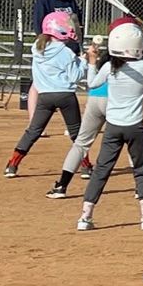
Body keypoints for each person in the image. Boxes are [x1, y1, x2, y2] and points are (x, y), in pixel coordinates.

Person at [77, 18, 143, 232]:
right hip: (135, 127)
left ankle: (85, 217)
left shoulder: (109, 67)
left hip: (113, 126)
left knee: (101, 171)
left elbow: (93, 83)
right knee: (141, 170)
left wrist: (91, 61)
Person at [5, 10, 82, 177]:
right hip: (66, 96)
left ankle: (12, 164)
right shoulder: (65, 52)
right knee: (77, 134)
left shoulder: (37, 48)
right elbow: (75, 76)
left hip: (45, 96)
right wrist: (84, 62)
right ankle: (86, 166)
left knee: (33, 131)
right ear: (58, 29)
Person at [46, 37, 108, 199]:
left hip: (94, 101)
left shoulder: (107, 64)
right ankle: (141, 190)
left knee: (80, 144)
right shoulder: (142, 65)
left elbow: (93, 83)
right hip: (118, 104)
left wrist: (92, 61)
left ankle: (61, 186)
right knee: (133, 144)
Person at [24, 0, 80, 109]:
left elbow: (76, 23)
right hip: (51, 47)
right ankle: (33, 124)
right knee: (37, 84)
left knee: (69, 84)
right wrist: (46, 46)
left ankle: (71, 124)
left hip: (68, 48)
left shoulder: (70, 1)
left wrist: (76, 42)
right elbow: (39, 25)